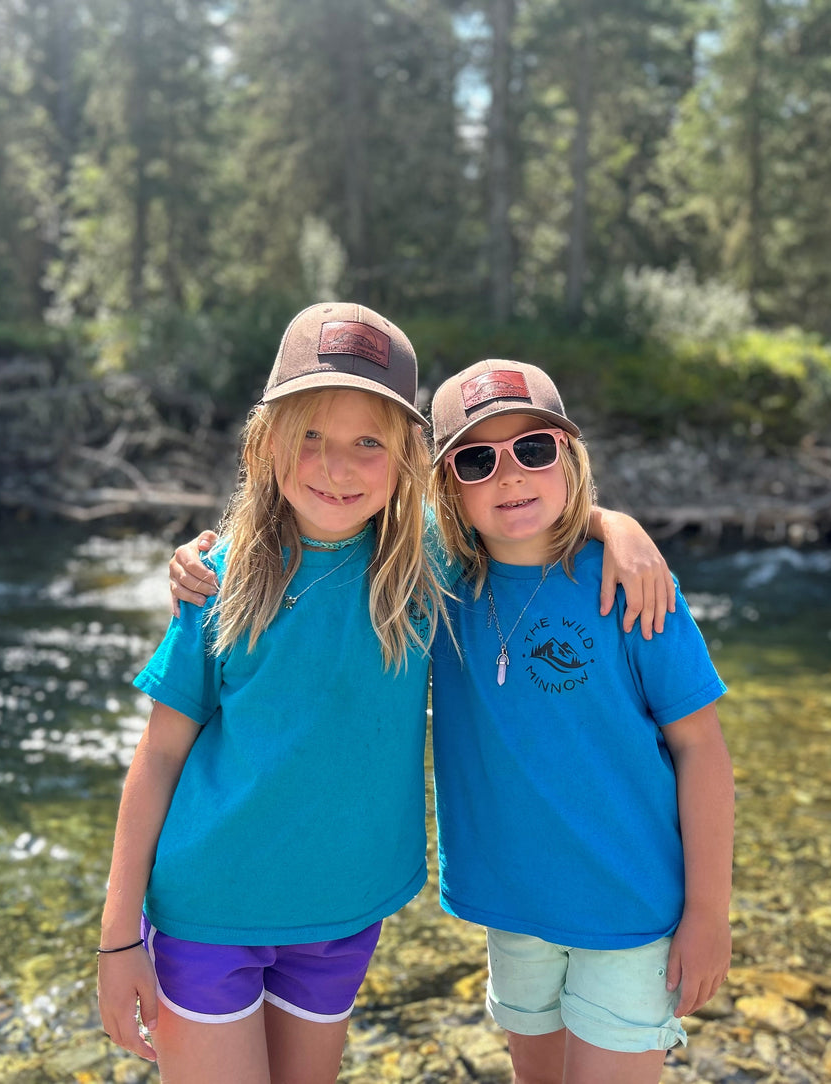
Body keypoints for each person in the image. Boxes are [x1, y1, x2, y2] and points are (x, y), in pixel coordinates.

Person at [104, 303, 673, 1084]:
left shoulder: (425, 567)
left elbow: (523, 512)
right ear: (265, 445)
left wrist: (618, 525)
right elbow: (159, 756)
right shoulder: (222, 577)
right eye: (309, 436)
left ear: (408, 458)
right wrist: (116, 940)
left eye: (367, 442)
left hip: (341, 918)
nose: (336, 467)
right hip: (206, 909)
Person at [427, 359, 734, 1084]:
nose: (509, 476)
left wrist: (708, 914)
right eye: (477, 460)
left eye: (533, 449)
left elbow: (700, 750)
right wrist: (206, 555)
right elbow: (334, 530)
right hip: (513, 908)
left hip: (630, 912)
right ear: (447, 486)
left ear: (568, 457)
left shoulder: (633, 585)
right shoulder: (434, 587)